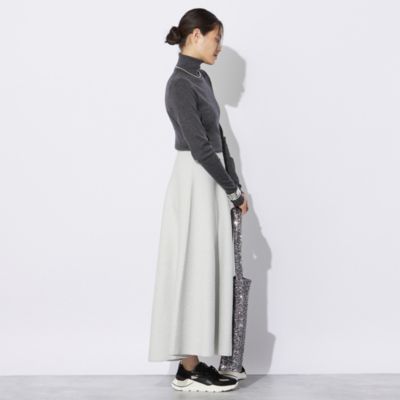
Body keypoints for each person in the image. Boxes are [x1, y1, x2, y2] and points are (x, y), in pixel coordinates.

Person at [148, 8, 249, 392]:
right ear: (196, 36)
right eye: (216, 38)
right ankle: (188, 369)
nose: (218, 47)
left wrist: (234, 184)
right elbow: (200, 147)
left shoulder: (201, 78)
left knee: (207, 266)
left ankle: (193, 365)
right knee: (192, 266)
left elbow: (219, 137)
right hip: (194, 181)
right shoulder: (179, 84)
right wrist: (232, 189)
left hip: (210, 180)